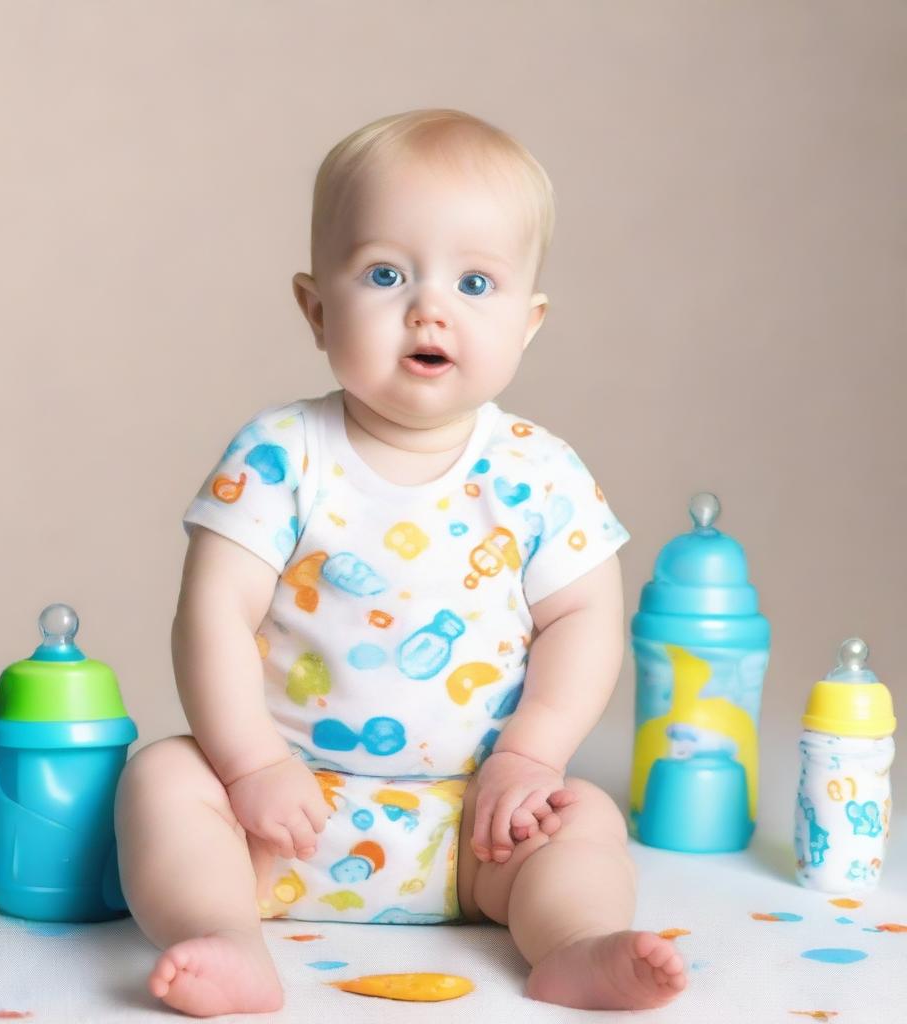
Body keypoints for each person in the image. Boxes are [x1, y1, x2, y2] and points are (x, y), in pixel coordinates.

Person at [114, 108, 688, 1016]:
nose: (430, 307)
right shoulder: (281, 453)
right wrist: (252, 763)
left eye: (475, 281)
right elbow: (212, 613)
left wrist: (531, 758)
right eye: (386, 274)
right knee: (163, 777)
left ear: (528, 322)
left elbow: (582, 620)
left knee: (586, 820)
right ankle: (223, 935)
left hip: (478, 825)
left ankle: (574, 944)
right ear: (315, 309)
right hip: (284, 820)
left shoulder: (540, 474)